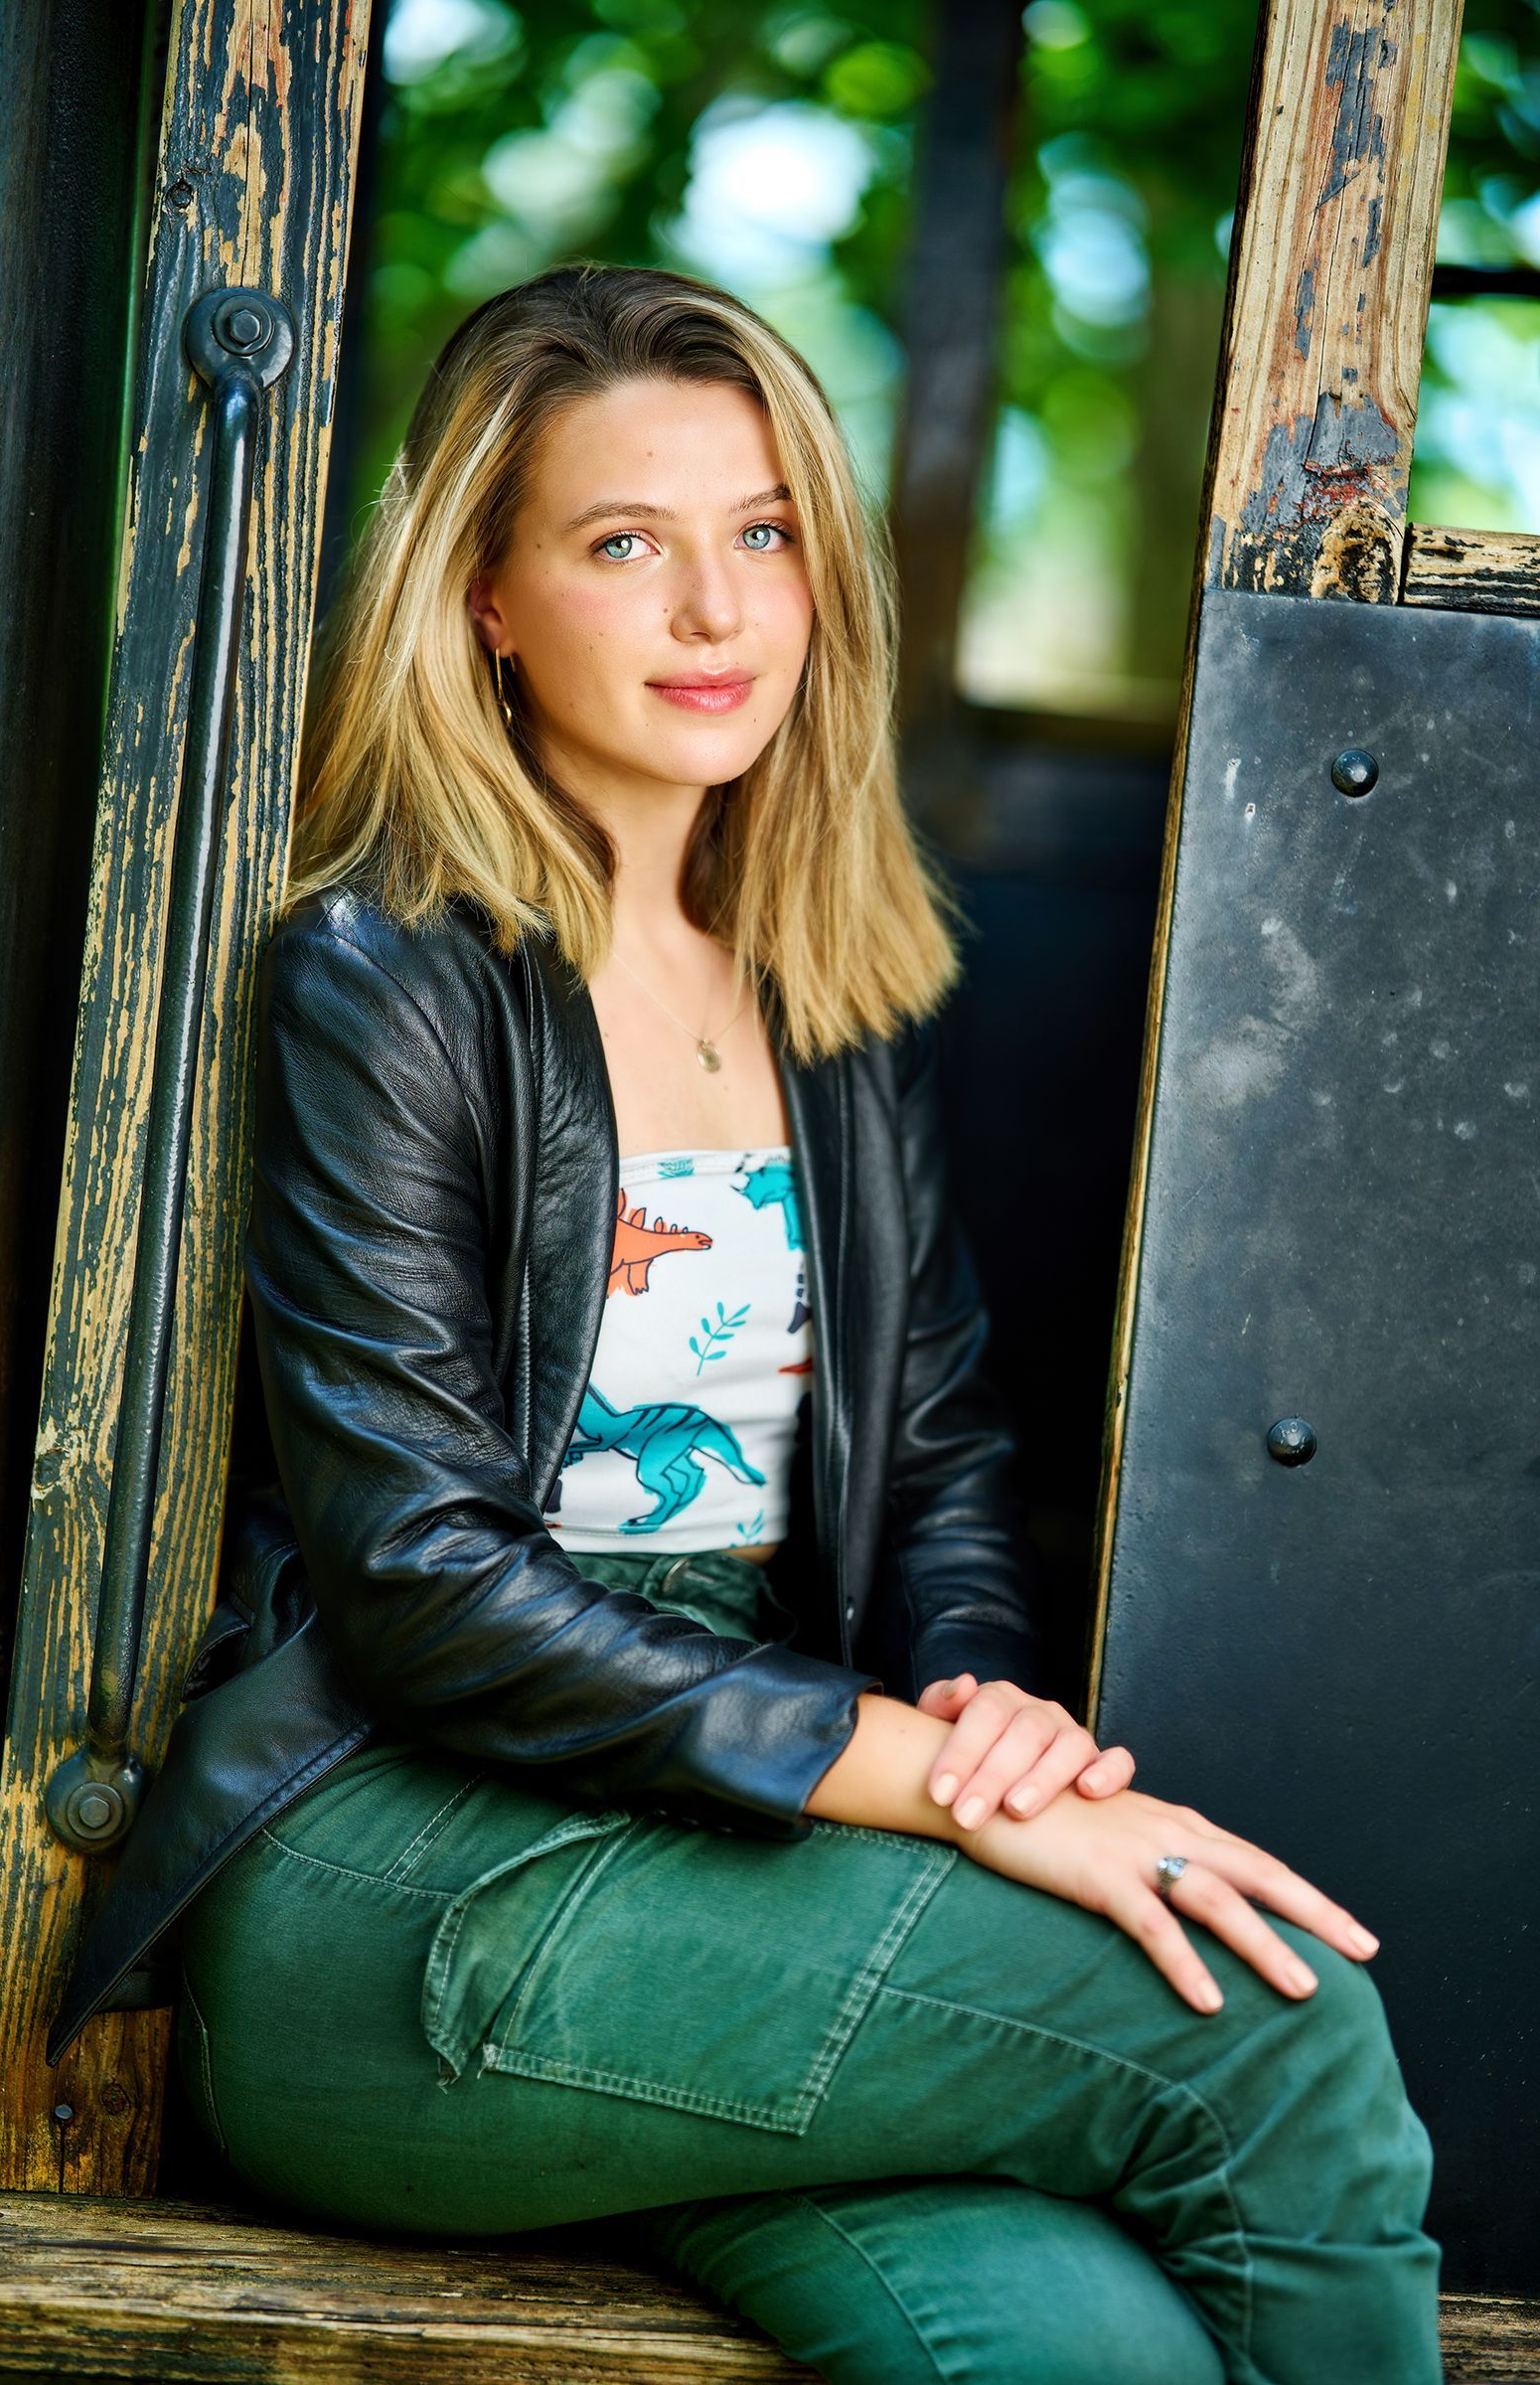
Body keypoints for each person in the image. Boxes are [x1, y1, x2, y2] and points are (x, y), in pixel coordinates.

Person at [162, 262, 1441, 2384]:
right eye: (621, 543)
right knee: (1274, 2030)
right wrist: (927, 1781)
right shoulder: (383, 973)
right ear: (485, 597)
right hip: (397, 1865)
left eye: (759, 535)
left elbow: (934, 1464)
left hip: (720, 1849)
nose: (711, 613)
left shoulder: (819, 991)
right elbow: (418, 1584)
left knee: (1080, 2355)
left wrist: (981, 1706)